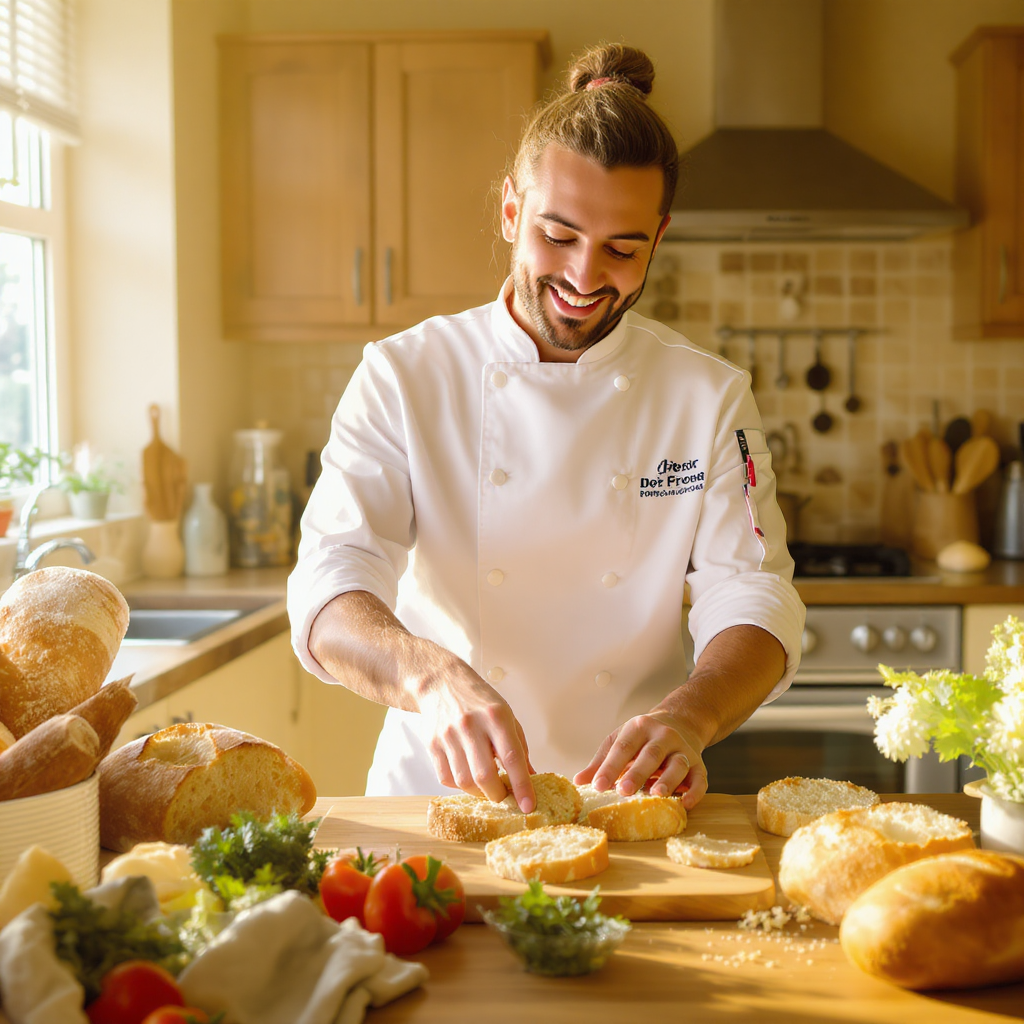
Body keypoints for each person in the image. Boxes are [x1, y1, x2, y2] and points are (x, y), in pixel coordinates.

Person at [288, 43, 806, 815]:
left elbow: (755, 594)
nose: (584, 277)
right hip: (438, 798)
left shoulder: (708, 396)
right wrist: (428, 678)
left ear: (657, 238)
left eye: (622, 249)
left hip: (630, 801)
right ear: (510, 210)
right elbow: (332, 583)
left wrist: (689, 716)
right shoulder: (404, 376)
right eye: (557, 236)